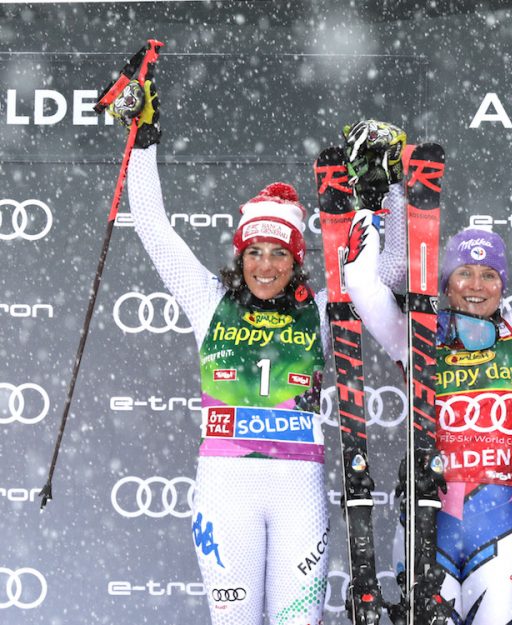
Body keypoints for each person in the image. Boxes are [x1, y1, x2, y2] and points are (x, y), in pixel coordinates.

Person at [113, 71, 330, 625]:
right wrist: (144, 140)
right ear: (240, 255)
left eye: (277, 253)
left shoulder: (322, 311)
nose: (264, 265)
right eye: (253, 251)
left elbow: (392, 273)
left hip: (298, 492)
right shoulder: (209, 302)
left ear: (295, 260)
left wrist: (389, 197)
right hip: (225, 490)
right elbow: (155, 230)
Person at [341, 121, 512, 624]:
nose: (476, 285)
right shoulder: (417, 339)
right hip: (429, 525)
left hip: (502, 530)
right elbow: (360, 285)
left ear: (502, 284)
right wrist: (372, 200)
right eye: (463, 274)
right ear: (444, 283)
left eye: (489, 274)